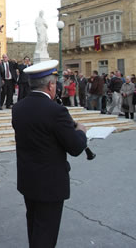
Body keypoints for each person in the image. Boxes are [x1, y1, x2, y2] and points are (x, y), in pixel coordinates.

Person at [12, 60, 87, 247]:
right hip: (50, 183)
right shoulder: (56, 111)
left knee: (35, 227)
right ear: (50, 85)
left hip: (28, 179)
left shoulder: (18, 108)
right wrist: (81, 131)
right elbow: (76, 147)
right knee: (46, 232)